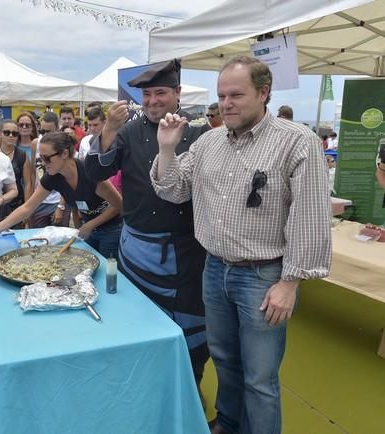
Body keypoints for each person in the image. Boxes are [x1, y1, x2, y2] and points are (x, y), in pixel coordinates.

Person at [150, 56, 331, 434]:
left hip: (264, 277)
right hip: (214, 269)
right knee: (225, 361)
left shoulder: (296, 142)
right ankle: (229, 426)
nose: (226, 103)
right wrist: (167, 149)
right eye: (221, 95)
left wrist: (289, 283)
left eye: (236, 95)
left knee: (260, 379)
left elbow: (310, 217)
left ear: (264, 93)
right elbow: (172, 189)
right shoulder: (208, 143)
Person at [84, 59, 210, 393]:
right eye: (147, 94)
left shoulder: (200, 134)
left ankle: (187, 396)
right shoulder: (127, 132)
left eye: (161, 93)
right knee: (137, 323)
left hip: (184, 255)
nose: (152, 100)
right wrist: (108, 130)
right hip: (135, 250)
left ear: (177, 93)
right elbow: (95, 175)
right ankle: (145, 391)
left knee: (189, 333)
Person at [0, 131, 122, 258]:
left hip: (111, 229)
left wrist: (90, 224)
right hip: (89, 229)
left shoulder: (89, 174)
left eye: (47, 158)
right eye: (41, 158)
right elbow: (27, 208)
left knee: (107, 269)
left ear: (64, 153)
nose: (43, 163)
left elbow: (119, 205)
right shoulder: (52, 177)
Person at [0, 119, 33, 225]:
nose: (11, 136)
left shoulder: (22, 155)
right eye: (7, 132)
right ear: (0, 134)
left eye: (15, 133)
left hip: (16, 204)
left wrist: (27, 209)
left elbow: (28, 184)